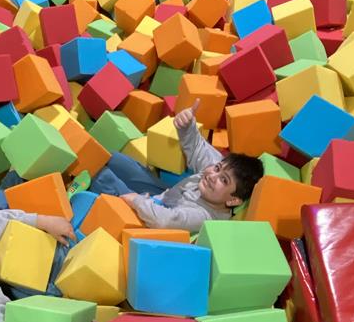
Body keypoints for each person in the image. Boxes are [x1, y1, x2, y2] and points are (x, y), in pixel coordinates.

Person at [92, 99, 264, 232]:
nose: (212, 176)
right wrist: (186, 125)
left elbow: (164, 221)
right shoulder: (213, 171)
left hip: (152, 217)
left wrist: (136, 200)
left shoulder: (204, 217)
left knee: (101, 175)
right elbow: (198, 147)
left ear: (233, 200)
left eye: (224, 180)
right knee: (112, 158)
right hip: (164, 195)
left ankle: (90, 175)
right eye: (217, 168)